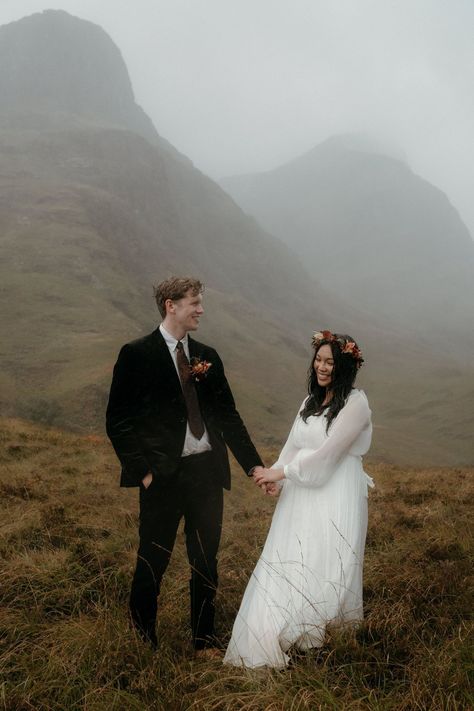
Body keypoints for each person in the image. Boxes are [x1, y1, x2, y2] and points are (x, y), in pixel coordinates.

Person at [106, 276, 263, 657]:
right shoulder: (136, 354)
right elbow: (118, 420)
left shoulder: (207, 356)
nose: (201, 310)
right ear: (170, 305)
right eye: (194, 302)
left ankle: (204, 641)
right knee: (152, 561)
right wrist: (144, 472)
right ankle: (143, 642)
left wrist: (254, 468)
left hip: (206, 475)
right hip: (161, 479)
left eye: (201, 302)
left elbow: (228, 417)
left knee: (206, 559)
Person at [223, 330, 373, 668]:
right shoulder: (308, 402)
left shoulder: (356, 403)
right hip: (301, 492)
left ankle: (318, 635)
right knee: (288, 554)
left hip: (336, 490)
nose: (322, 367)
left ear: (345, 366)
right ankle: (278, 628)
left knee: (325, 556)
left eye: (330, 362)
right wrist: (273, 474)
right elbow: (293, 447)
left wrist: (284, 473)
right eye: (318, 360)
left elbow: (328, 455)